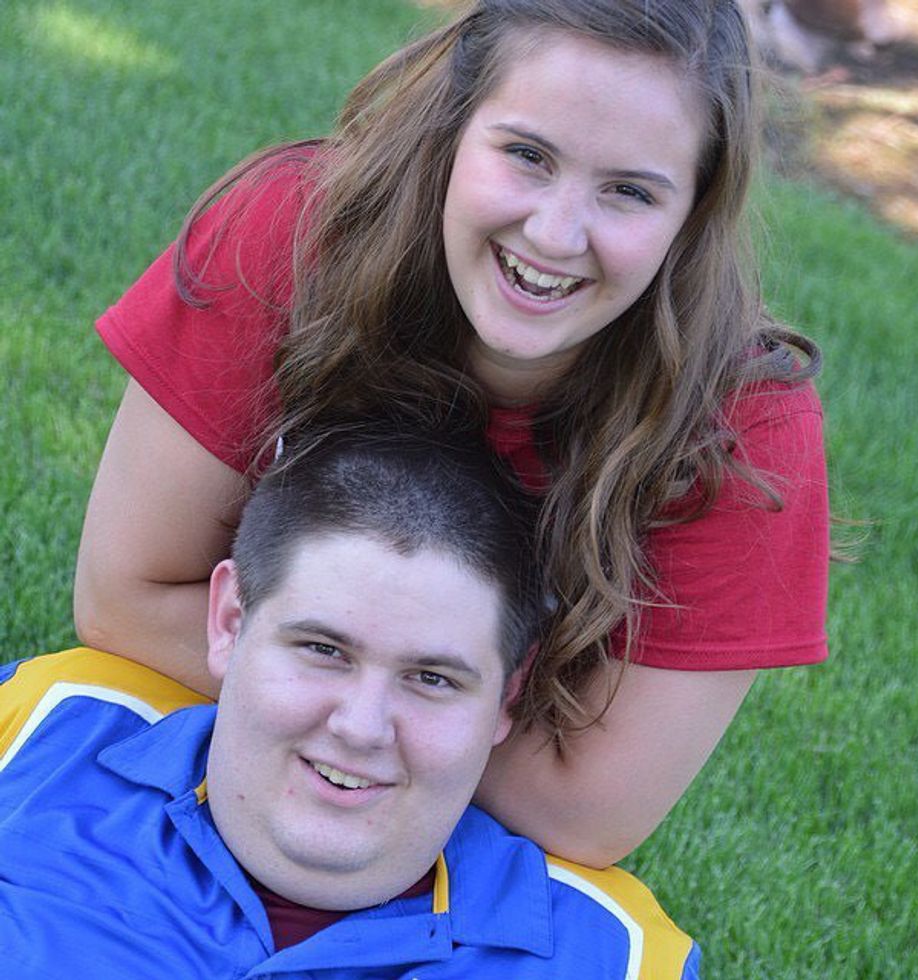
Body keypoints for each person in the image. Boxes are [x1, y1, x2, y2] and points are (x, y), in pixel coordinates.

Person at [75, 0, 830, 868]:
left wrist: (341, 712)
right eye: (527, 155)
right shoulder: (289, 232)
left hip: (455, 858)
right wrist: (399, 719)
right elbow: (125, 599)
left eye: (629, 191)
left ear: (692, 215)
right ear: (453, 125)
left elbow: (586, 812)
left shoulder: (741, 427)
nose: (555, 235)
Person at [0, 430, 701, 978]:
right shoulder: (42, 727)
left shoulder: (618, 957)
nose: (362, 728)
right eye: (323, 649)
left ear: (507, 697)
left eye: (431, 679)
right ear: (229, 622)